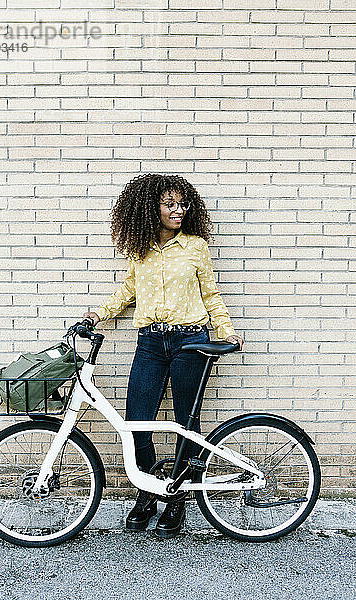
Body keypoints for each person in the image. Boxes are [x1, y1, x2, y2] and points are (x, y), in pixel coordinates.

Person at [84, 173, 244, 539]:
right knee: (138, 420)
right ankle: (147, 491)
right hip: (150, 344)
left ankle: (177, 498)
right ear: (149, 208)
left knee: (187, 422)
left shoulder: (195, 247)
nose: (178, 210)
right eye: (169, 204)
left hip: (191, 341)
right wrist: (98, 313)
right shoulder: (140, 250)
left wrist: (225, 331)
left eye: (182, 204)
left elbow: (211, 295)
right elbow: (129, 289)